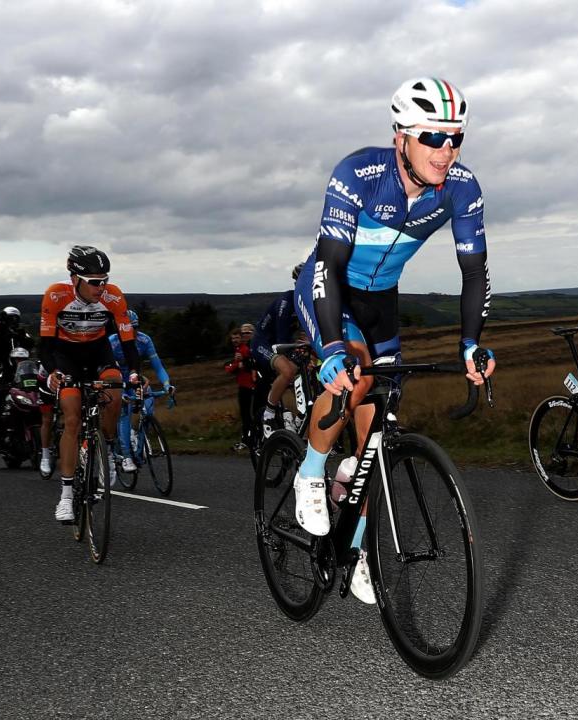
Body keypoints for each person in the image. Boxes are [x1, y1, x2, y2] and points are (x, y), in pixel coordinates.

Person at [292, 77, 496, 603]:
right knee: (352, 375)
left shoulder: (462, 187)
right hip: (330, 290)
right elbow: (330, 266)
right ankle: (309, 472)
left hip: (383, 302)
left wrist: (470, 345)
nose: (445, 150)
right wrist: (334, 348)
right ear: (401, 135)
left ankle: (362, 550)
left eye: (456, 138)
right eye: (433, 136)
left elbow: (474, 274)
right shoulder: (358, 175)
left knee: (375, 443)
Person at [39, 245, 140, 522]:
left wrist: (133, 372)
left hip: (98, 353)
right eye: (94, 282)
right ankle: (66, 496)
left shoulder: (113, 296)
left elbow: (127, 341)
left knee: (115, 388)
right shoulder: (56, 295)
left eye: (104, 279)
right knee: (71, 418)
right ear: (75, 279)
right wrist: (53, 372)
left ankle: (108, 447)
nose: (101, 287)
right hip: (66, 355)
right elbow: (45, 346)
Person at [108, 309, 174, 473]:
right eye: (128, 328)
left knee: (148, 406)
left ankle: (139, 440)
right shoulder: (112, 342)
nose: (132, 332)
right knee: (124, 412)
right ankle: (127, 456)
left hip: (135, 380)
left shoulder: (145, 340)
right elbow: (108, 370)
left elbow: (158, 366)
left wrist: (167, 385)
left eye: (135, 328)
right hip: (117, 381)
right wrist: (119, 392)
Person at [250, 264, 302, 437]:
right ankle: (269, 413)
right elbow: (281, 338)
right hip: (263, 343)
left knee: (305, 373)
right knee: (287, 370)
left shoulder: (307, 303)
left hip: (283, 343)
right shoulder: (286, 302)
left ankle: (298, 418)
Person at [0, 306, 35, 448]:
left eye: (15, 318)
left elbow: (31, 343)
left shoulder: (21, 333)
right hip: (6, 375)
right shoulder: (0, 335)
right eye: (10, 318)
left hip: (24, 375)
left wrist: (19, 335)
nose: (13, 321)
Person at [224, 326, 255, 450]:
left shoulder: (244, 350)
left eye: (237, 337)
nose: (235, 340)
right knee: (247, 414)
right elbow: (234, 367)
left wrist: (233, 366)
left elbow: (237, 366)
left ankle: (248, 440)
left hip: (247, 386)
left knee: (247, 414)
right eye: (233, 338)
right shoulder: (239, 349)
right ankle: (248, 439)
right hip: (244, 385)